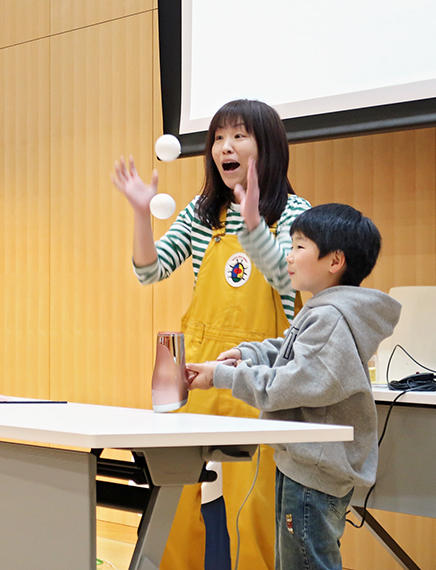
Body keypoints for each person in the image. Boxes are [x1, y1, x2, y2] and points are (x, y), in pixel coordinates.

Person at [111, 99, 311, 570]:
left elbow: (287, 278)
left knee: (255, 503)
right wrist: (140, 215)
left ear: (268, 147)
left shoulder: (297, 214)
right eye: (219, 138)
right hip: (197, 372)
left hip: (260, 375)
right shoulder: (203, 213)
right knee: (178, 494)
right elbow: (150, 271)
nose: (226, 147)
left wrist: (254, 225)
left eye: (239, 136)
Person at [185, 203, 402, 570]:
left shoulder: (331, 318)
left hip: (314, 472)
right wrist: (248, 353)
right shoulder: (322, 310)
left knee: (305, 563)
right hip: (303, 463)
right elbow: (289, 349)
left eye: (300, 246)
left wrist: (222, 376)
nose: (289, 255)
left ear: (335, 261)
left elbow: (288, 384)